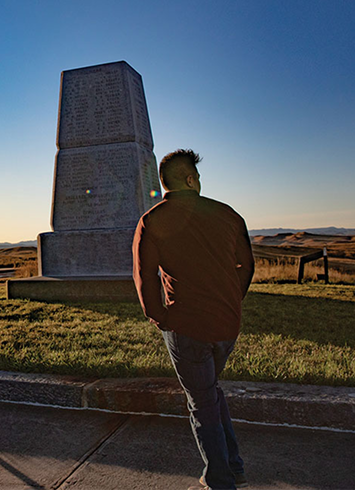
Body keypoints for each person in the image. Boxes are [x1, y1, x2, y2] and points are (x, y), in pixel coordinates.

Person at [132, 149, 254, 490]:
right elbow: (246, 266)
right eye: (197, 177)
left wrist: (159, 317)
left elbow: (144, 277)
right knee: (209, 391)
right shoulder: (228, 215)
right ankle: (235, 468)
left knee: (201, 401)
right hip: (227, 325)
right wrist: (231, 301)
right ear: (190, 179)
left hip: (186, 326)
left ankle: (220, 480)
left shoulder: (152, 221)